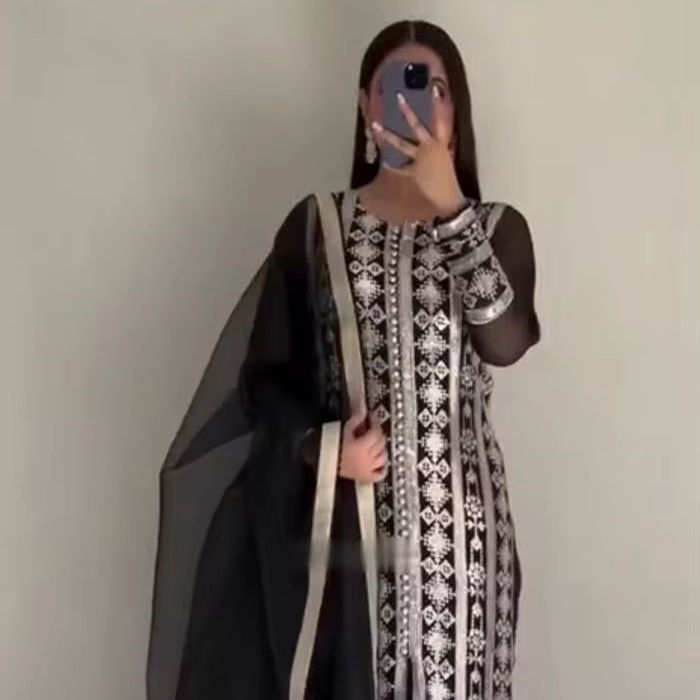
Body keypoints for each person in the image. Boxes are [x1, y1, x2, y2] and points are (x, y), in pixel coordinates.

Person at [147, 19, 539, 700]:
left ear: (457, 110)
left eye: (435, 89)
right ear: (364, 105)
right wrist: (326, 450)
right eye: (397, 86)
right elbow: (265, 383)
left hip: (464, 551)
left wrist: (451, 209)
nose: (417, 104)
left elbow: (505, 342)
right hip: (349, 542)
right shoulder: (318, 227)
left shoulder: (496, 227)